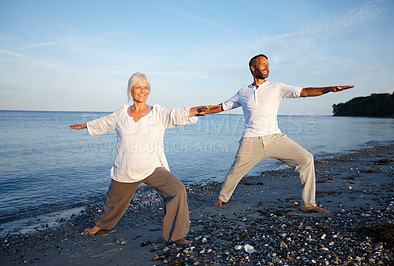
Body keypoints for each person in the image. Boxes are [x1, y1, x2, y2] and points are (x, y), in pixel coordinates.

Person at [70, 72, 208, 245]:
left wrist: (196, 110)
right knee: (113, 202)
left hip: (152, 167)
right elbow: (104, 123)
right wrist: (84, 125)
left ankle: (175, 235)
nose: (143, 91)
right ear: (131, 90)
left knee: (177, 190)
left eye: (146, 88)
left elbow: (176, 114)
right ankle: (102, 225)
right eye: (138, 87)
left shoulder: (158, 113)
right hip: (126, 169)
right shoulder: (121, 114)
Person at [205, 54, 354, 213]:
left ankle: (308, 204)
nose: (267, 67)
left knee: (307, 159)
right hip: (251, 141)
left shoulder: (277, 87)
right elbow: (222, 107)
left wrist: (329, 89)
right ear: (253, 68)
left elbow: (303, 92)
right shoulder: (243, 92)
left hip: (275, 139)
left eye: (268, 65)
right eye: (263, 64)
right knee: (235, 171)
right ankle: (221, 199)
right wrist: (201, 111)